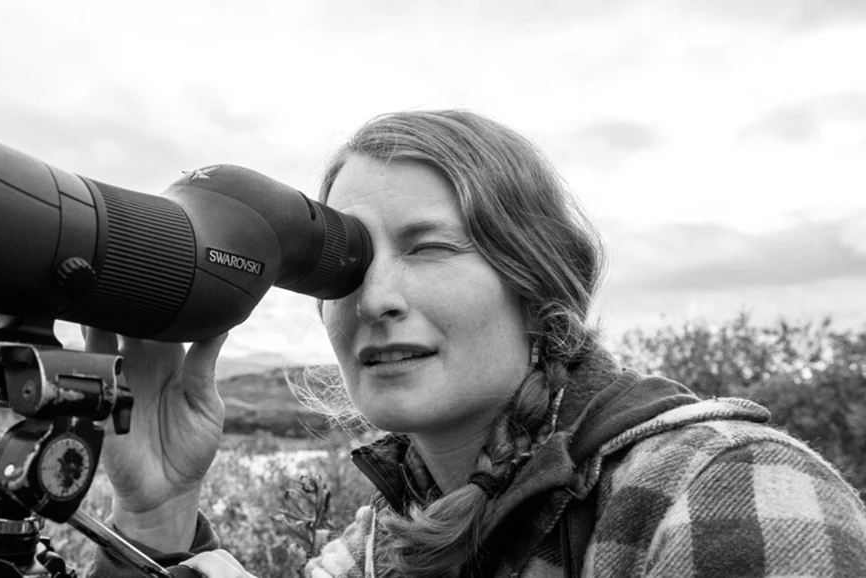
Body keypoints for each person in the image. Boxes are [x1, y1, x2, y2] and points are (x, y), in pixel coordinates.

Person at [85, 110, 866, 577]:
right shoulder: (377, 550)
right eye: (350, 262)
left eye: (430, 247)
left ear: (535, 284)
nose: (377, 299)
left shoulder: (721, 491)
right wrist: (158, 514)